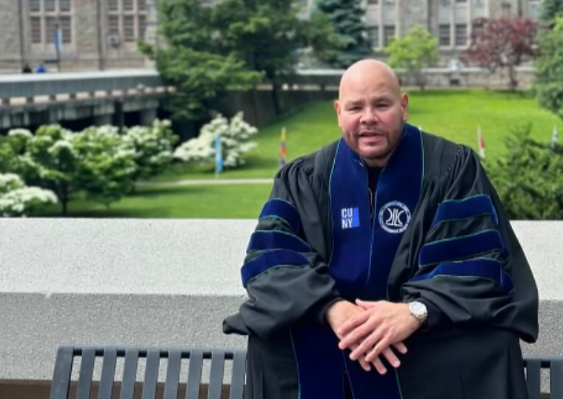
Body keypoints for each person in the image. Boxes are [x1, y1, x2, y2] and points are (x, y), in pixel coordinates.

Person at [223, 59, 539, 399]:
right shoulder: (304, 178)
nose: (368, 118)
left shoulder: (452, 168)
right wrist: (332, 309)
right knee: (271, 342)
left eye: (381, 104)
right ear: (338, 112)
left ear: (403, 106)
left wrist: (415, 312)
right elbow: (273, 258)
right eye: (355, 107)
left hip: (418, 333)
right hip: (333, 326)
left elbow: (475, 262)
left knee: (487, 343)